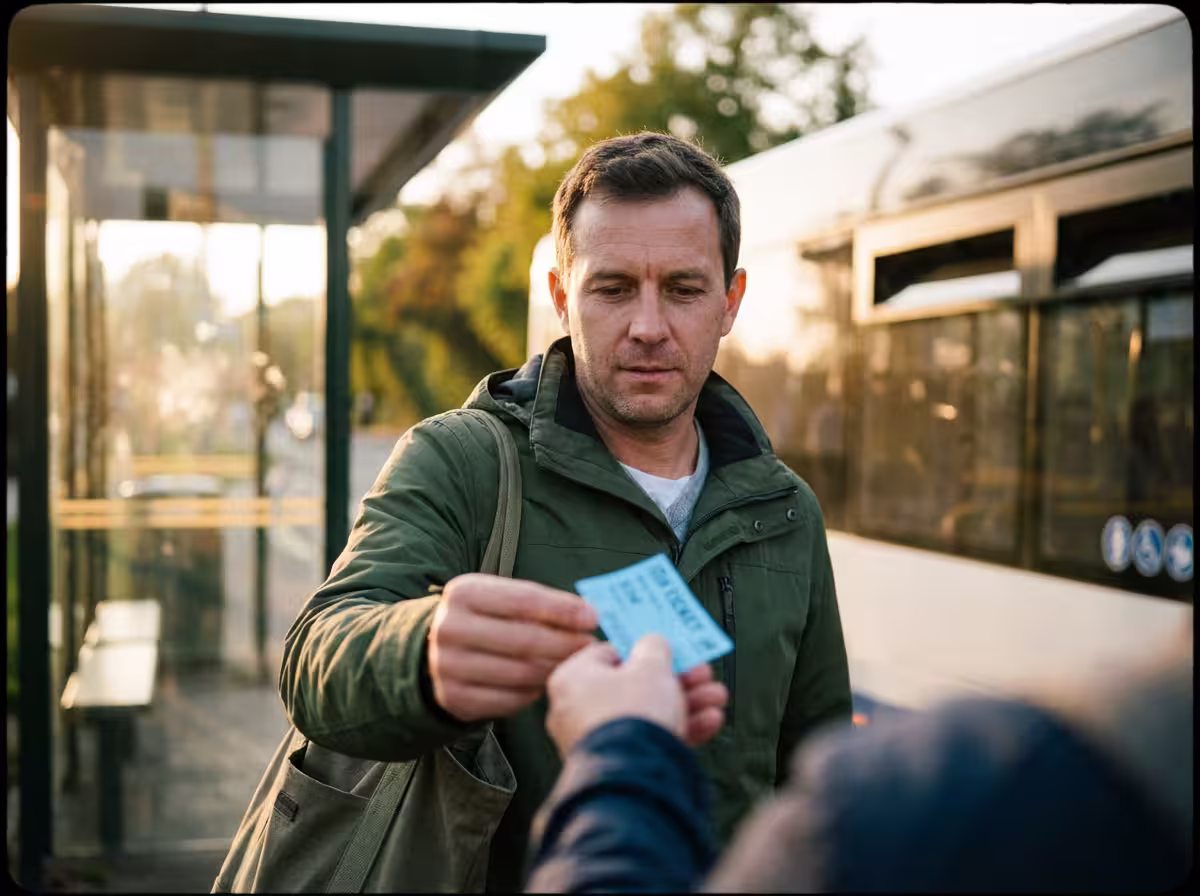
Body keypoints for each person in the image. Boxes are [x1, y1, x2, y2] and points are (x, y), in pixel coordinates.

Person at [278, 131, 852, 891]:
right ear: (560, 297)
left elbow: (823, 770)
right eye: (612, 289)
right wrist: (422, 653)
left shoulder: (785, 510)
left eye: (682, 289)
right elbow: (316, 659)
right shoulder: (463, 461)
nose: (649, 325)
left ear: (730, 301)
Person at [526, 628, 1193, 893]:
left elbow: (819, 717)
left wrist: (619, 744)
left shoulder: (891, 820)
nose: (648, 328)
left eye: (681, 308)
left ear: (727, 315)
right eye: (616, 308)